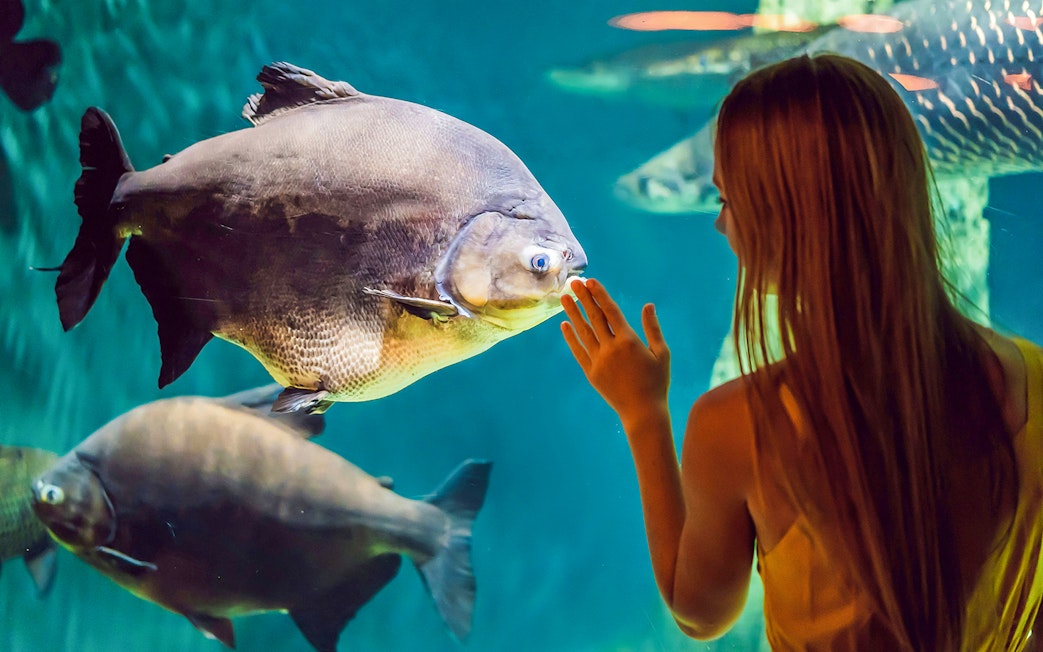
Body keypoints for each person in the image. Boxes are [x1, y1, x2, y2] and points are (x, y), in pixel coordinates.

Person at [560, 53, 1042, 651]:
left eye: (726, 201)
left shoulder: (735, 425)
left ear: (785, 219)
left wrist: (643, 414)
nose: (719, 227)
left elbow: (700, 612)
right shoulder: (1033, 377)